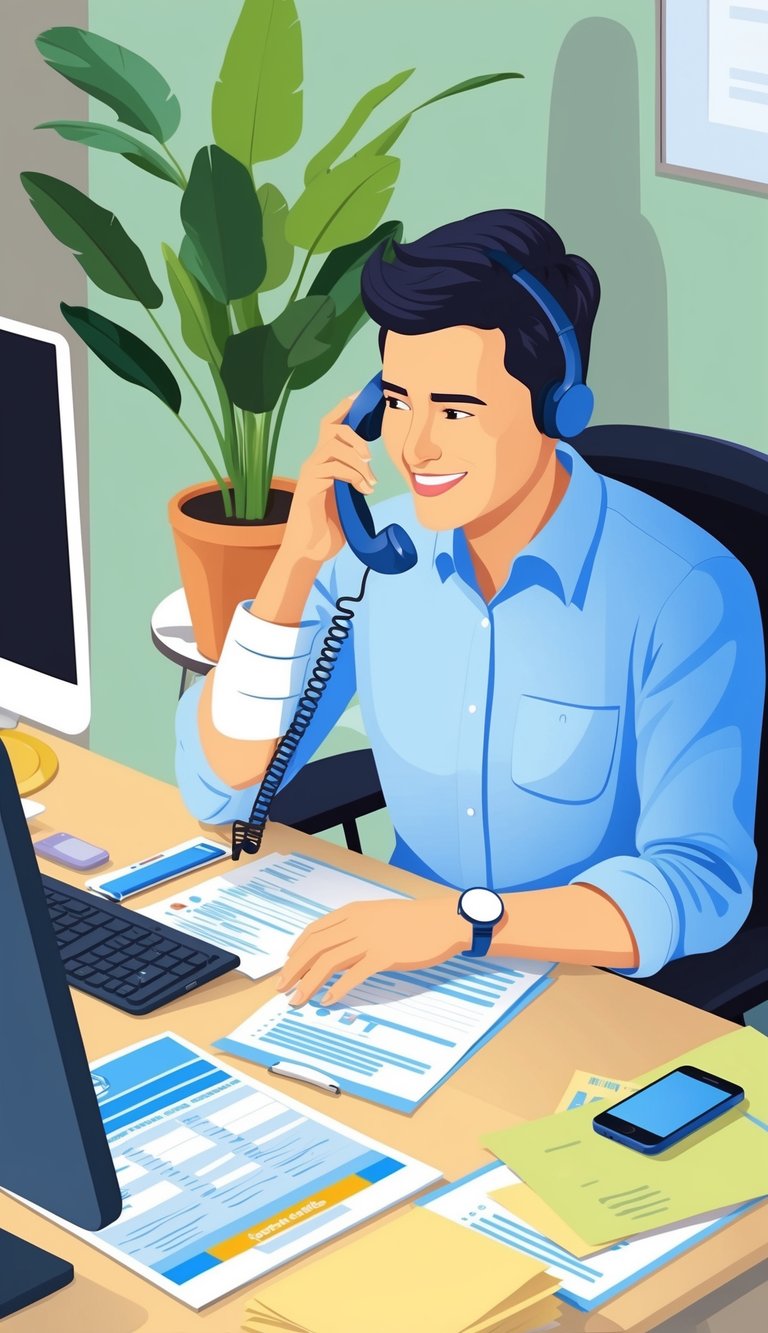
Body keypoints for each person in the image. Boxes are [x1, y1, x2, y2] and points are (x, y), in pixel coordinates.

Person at [175, 209, 765, 1009]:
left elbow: (697, 882)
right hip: (396, 979)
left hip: (590, 1002)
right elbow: (222, 786)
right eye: (398, 403)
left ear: (560, 411)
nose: (415, 448)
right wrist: (294, 564)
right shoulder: (375, 556)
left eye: (455, 411)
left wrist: (466, 923)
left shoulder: (685, 592)